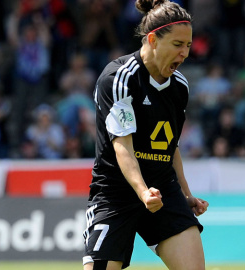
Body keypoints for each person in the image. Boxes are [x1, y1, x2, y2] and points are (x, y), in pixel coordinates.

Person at [82, 1, 209, 270]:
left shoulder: (179, 87)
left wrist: (186, 195)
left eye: (188, 45)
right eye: (177, 44)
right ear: (153, 39)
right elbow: (122, 146)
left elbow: (170, 146)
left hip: (163, 190)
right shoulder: (119, 78)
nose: (185, 53)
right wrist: (142, 192)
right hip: (117, 192)